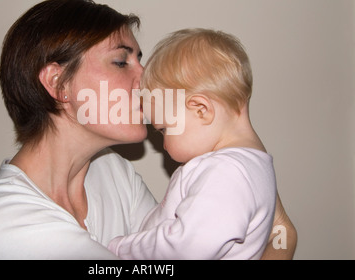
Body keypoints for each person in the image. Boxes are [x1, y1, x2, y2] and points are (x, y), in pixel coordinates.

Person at [0, 0, 296, 259]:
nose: (146, 77)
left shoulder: (112, 172)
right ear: (59, 83)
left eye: (140, 58)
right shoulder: (5, 228)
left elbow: (178, 241)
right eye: (121, 61)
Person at [108, 29, 292, 259]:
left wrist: (116, 249)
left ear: (201, 110)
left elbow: (187, 248)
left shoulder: (227, 172)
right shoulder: (247, 167)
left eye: (164, 129)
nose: (163, 145)